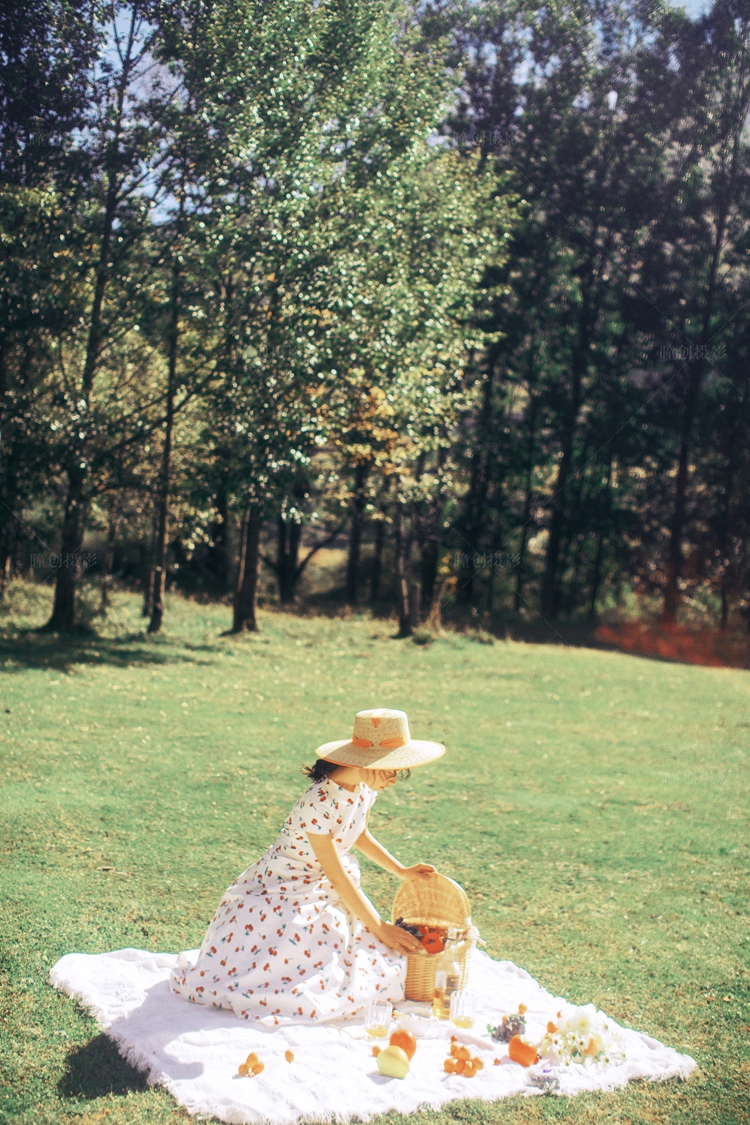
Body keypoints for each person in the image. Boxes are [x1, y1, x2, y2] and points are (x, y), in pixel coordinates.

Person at [170, 708, 445, 1026]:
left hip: (325, 880)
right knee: (308, 951)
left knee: (346, 944)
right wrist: (379, 926)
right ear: (364, 762)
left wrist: (401, 870)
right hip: (288, 883)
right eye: (391, 769)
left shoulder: (366, 789)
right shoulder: (317, 803)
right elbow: (337, 876)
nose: (395, 778)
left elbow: (360, 834)